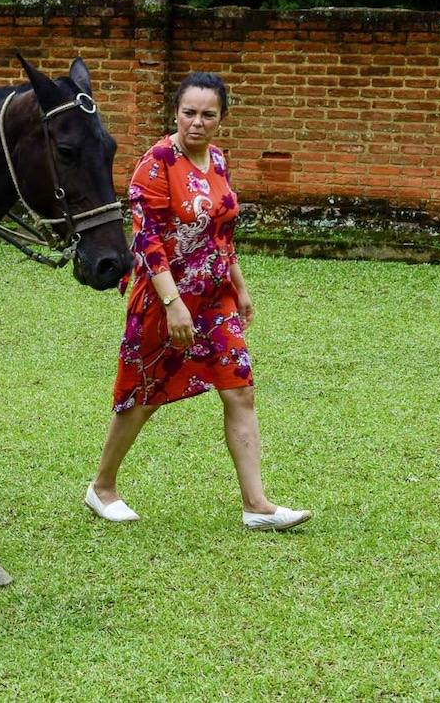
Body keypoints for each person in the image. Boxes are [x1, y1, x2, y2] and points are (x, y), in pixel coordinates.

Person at [85, 72, 311, 531]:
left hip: (214, 298)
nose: (197, 122)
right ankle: (102, 487)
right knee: (141, 396)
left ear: (221, 119)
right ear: (176, 113)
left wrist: (239, 285)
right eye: (189, 112)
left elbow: (221, 233)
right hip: (164, 300)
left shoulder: (219, 162)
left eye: (208, 114)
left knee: (240, 390)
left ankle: (257, 505)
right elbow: (147, 241)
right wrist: (173, 304)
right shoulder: (156, 164)